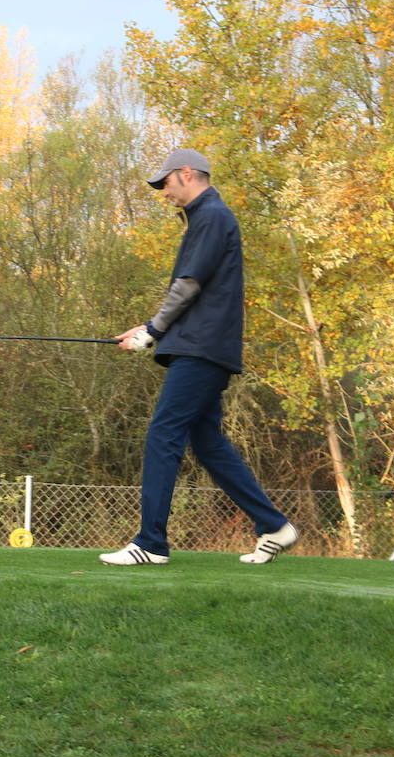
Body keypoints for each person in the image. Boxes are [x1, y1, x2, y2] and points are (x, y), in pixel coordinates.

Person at [99, 149, 297, 567]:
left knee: (163, 434)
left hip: (201, 350)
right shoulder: (208, 217)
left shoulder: (211, 216)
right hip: (203, 346)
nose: (164, 192)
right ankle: (274, 525)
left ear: (187, 174)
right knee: (207, 443)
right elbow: (192, 294)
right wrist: (147, 328)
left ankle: (151, 542)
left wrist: (152, 332)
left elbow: (188, 287)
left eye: (166, 183)